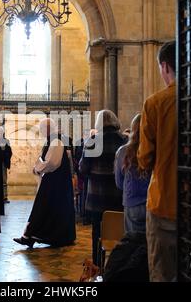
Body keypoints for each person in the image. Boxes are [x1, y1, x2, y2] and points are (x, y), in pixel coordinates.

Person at [138, 40, 177, 282]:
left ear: (164, 67)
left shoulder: (155, 103)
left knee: (162, 272)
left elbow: (144, 158)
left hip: (164, 202)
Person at [13, 118, 76, 248]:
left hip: (55, 182)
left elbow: (52, 162)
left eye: (42, 129)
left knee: (42, 208)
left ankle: (31, 236)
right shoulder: (54, 140)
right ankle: (31, 236)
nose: (41, 132)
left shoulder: (56, 141)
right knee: (47, 210)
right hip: (55, 182)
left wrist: (37, 168)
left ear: (47, 128)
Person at [79, 110, 127, 266]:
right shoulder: (124, 140)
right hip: (118, 196)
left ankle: (98, 266)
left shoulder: (92, 141)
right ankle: (117, 267)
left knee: (97, 234)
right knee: (120, 233)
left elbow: (83, 168)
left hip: (96, 198)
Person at [115, 114, 150, 234]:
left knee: (133, 243)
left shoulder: (123, 151)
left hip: (132, 201)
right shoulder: (156, 149)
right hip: (152, 202)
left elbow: (119, 182)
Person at [0, 127, 13, 204]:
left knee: (4, 181)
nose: (0, 134)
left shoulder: (6, 141)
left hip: (3, 164)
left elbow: (10, 152)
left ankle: (4, 197)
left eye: (1, 133)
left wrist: (5, 156)